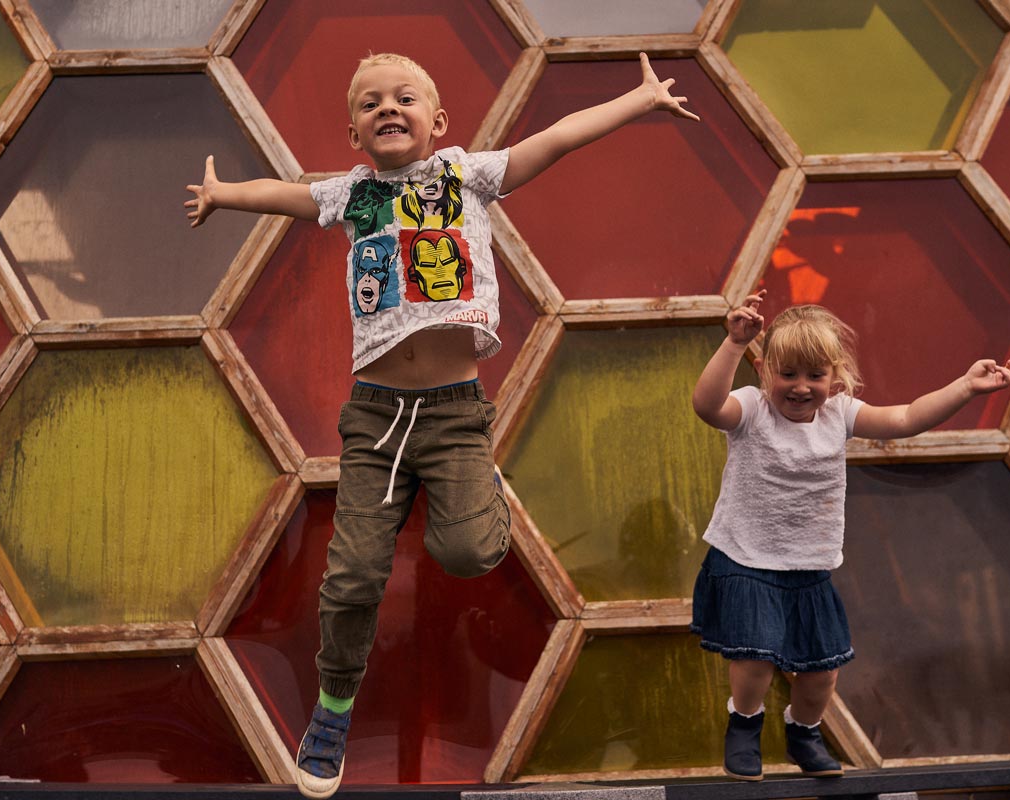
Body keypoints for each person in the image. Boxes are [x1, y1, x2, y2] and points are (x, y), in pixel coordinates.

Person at [186, 51, 698, 798]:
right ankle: (332, 712)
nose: (387, 109)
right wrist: (225, 193)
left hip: (455, 416)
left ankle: (477, 485)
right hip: (376, 419)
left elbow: (554, 140)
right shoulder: (351, 194)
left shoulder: (467, 174)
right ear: (354, 132)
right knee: (354, 576)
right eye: (369, 104)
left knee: (465, 551)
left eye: (404, 99)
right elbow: (288, 195)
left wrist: (638, 99)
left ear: (438, 122)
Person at [690, 290, 1010, 781]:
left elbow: (906, 419)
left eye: (814, 376)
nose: (801, 387)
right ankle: (744, 725)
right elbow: (706, 405)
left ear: (834, 379)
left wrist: (965, 389)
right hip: (747, 558)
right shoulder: (751, 409)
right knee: (755, 657)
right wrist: (735, 342)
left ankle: (804, 732)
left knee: (822, 669)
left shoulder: (838, 414)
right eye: (789, 374)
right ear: (764, 373)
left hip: (809, 565)